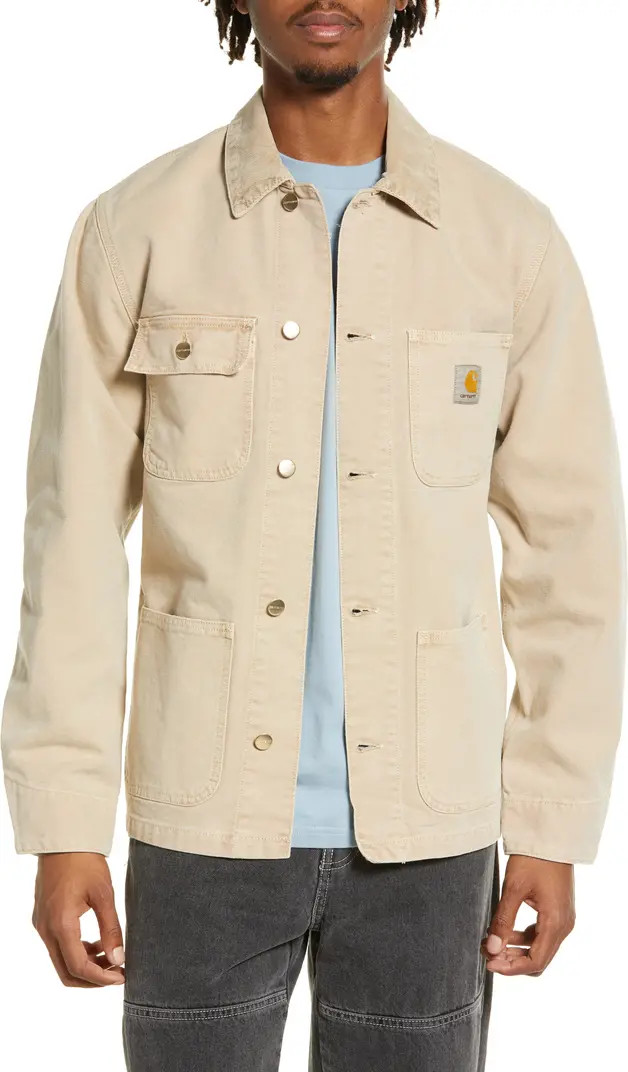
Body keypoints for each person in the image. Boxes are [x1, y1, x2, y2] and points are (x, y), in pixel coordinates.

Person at [2, 1, 625, 1069]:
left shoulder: (506, 241)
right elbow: (70, 544)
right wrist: (63, 827)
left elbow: (572, 553)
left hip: (431, 833)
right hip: (202, 826)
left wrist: (551, 824)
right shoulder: (135, 231)